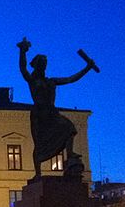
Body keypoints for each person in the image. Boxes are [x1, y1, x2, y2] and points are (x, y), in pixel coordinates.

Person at [17, 37, 96, 177]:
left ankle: (70, 153)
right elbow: (23, 68)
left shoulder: (51, 82)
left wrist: (87, 68)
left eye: (45, 64)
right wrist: (23, 51)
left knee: (69, 127)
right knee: (39, 143)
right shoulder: (33, 81)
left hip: (51, 113)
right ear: (37, 66)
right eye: (42, 64)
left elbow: (71, 79)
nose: (44, 66)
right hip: (39, 114)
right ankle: (38, 173)